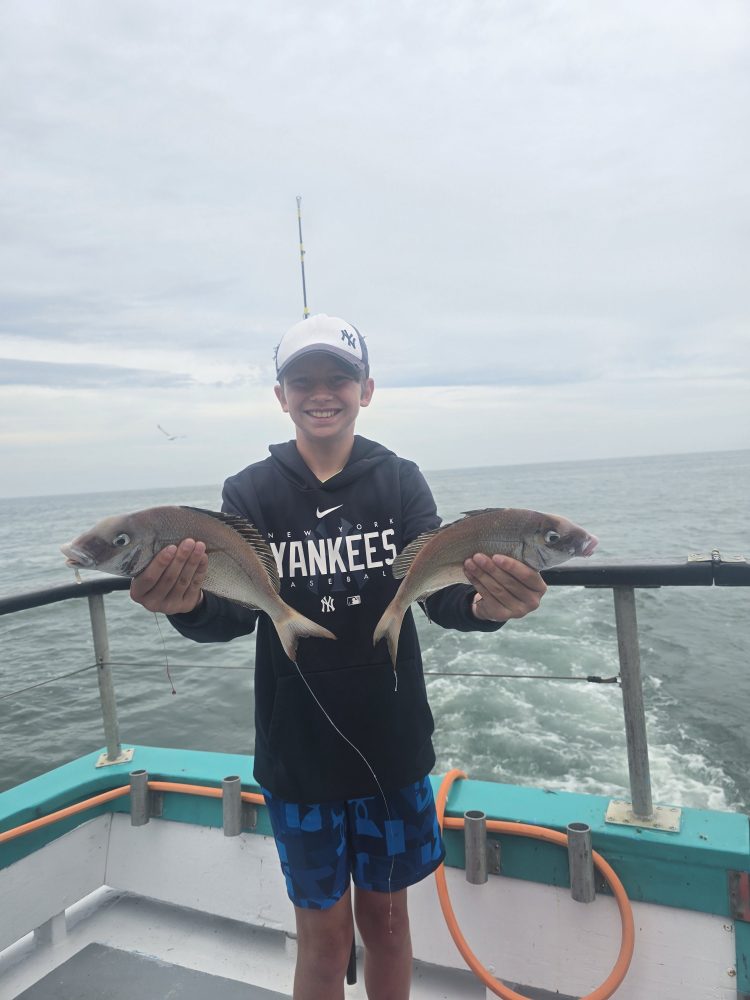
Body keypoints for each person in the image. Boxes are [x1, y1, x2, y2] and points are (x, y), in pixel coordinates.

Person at [130, 314, 547, 1000]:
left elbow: (437, 593)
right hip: (298, 759)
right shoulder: (250, 492)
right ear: (280, 395)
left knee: (387, 929)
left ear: (367, 389)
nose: (321, 393)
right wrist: (184, 604)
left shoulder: (401, 482)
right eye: (303, 381)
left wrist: (488, 605)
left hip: (392, 751)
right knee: (321, 942)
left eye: (339, 378)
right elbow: (232, 612)